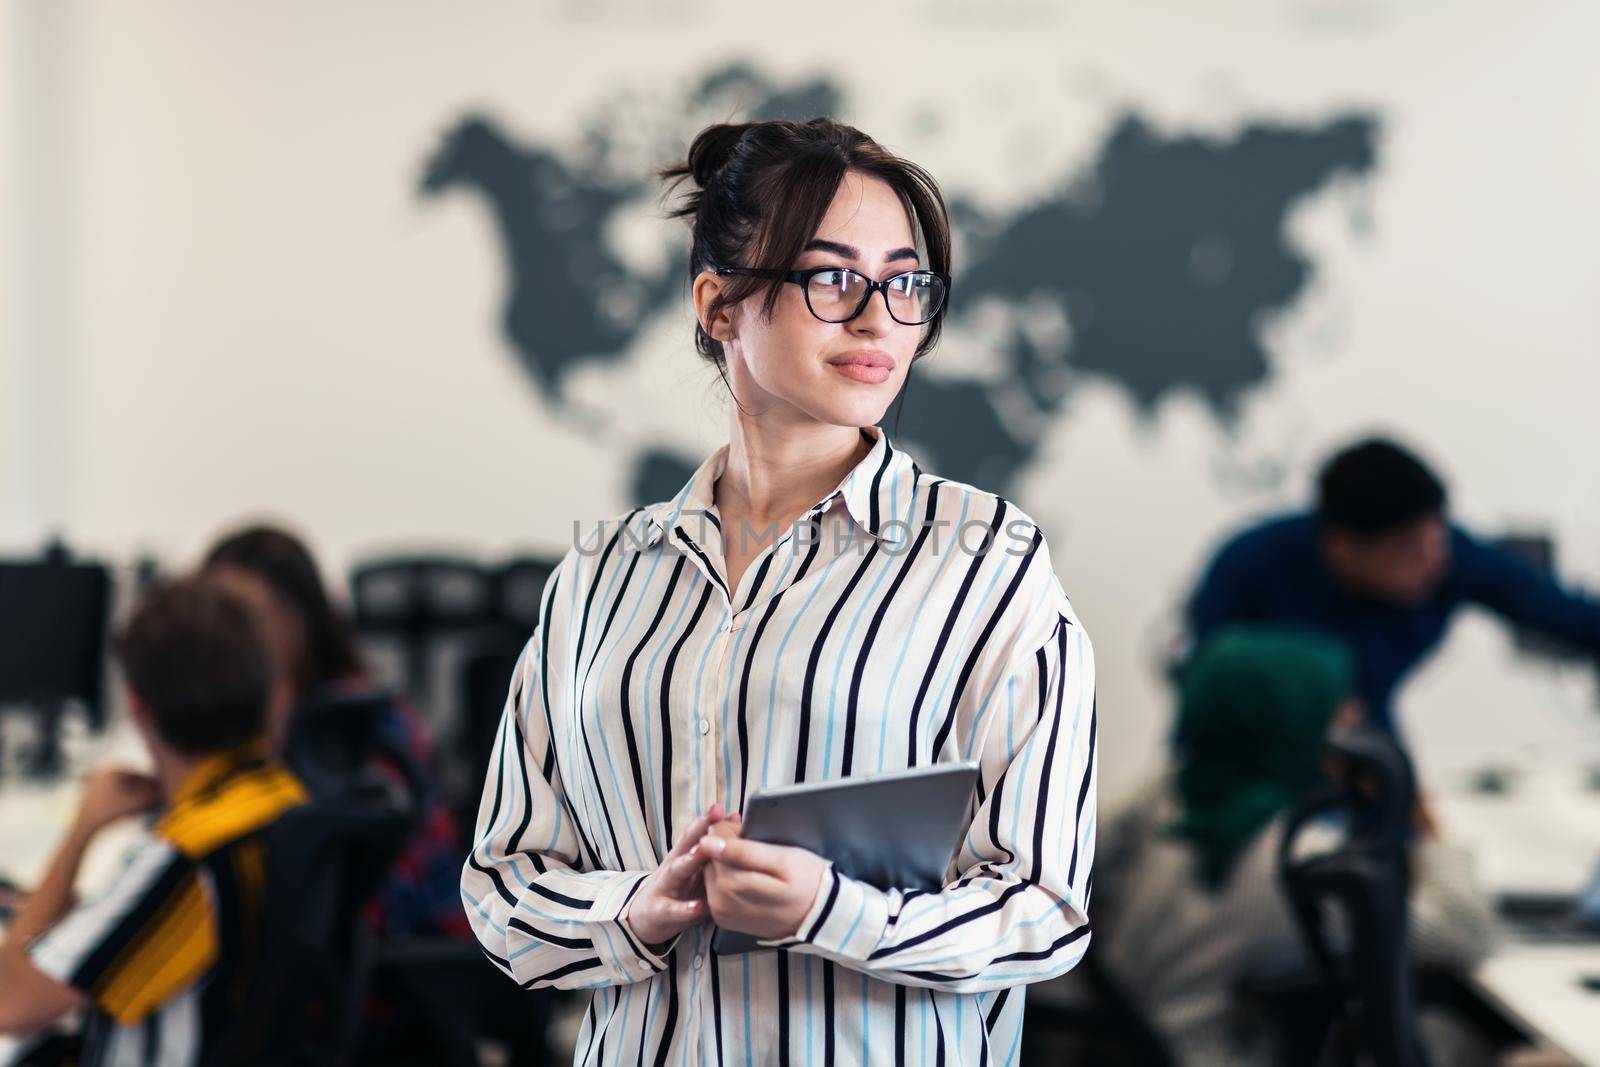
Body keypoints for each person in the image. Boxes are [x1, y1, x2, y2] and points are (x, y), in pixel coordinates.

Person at [461, 117, 1098, 1064]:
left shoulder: (988, 565)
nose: (880, 315)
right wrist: (636, 909)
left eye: (906, 281)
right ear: (720, 305)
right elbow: (502, 885)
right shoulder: (597, 581)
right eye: (833, 275)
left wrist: (834, 911)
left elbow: (1042, 910)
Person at [1092, 625, 1496, 1067]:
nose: (1355, 720)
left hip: (1121, 1044)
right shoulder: (1298, 860)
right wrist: (1420, 821)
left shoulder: (1163, 800)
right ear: (1287, 721)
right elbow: (1463, 930)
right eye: (1336, 711)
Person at [0, 575, 309, 1063]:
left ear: (137, 706)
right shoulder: (279, 797)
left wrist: (84, 828)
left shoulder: (188, 856)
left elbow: (8, 1004)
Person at [1185, 436, 1600, 736]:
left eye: (1438, 534)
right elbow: (1207, 690)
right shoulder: (1248, 568)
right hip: (1268, 754)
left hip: (1368, 731)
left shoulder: (1450, 557)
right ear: (1342, 546)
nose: (1435, 560)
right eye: (1410, 548)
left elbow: (1561, 612)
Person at [202, 524, 469, 939]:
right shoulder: (245, 712)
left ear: (299, 616)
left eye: (246, 614)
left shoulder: (359, 716)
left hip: (393, 958)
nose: (228, 633)